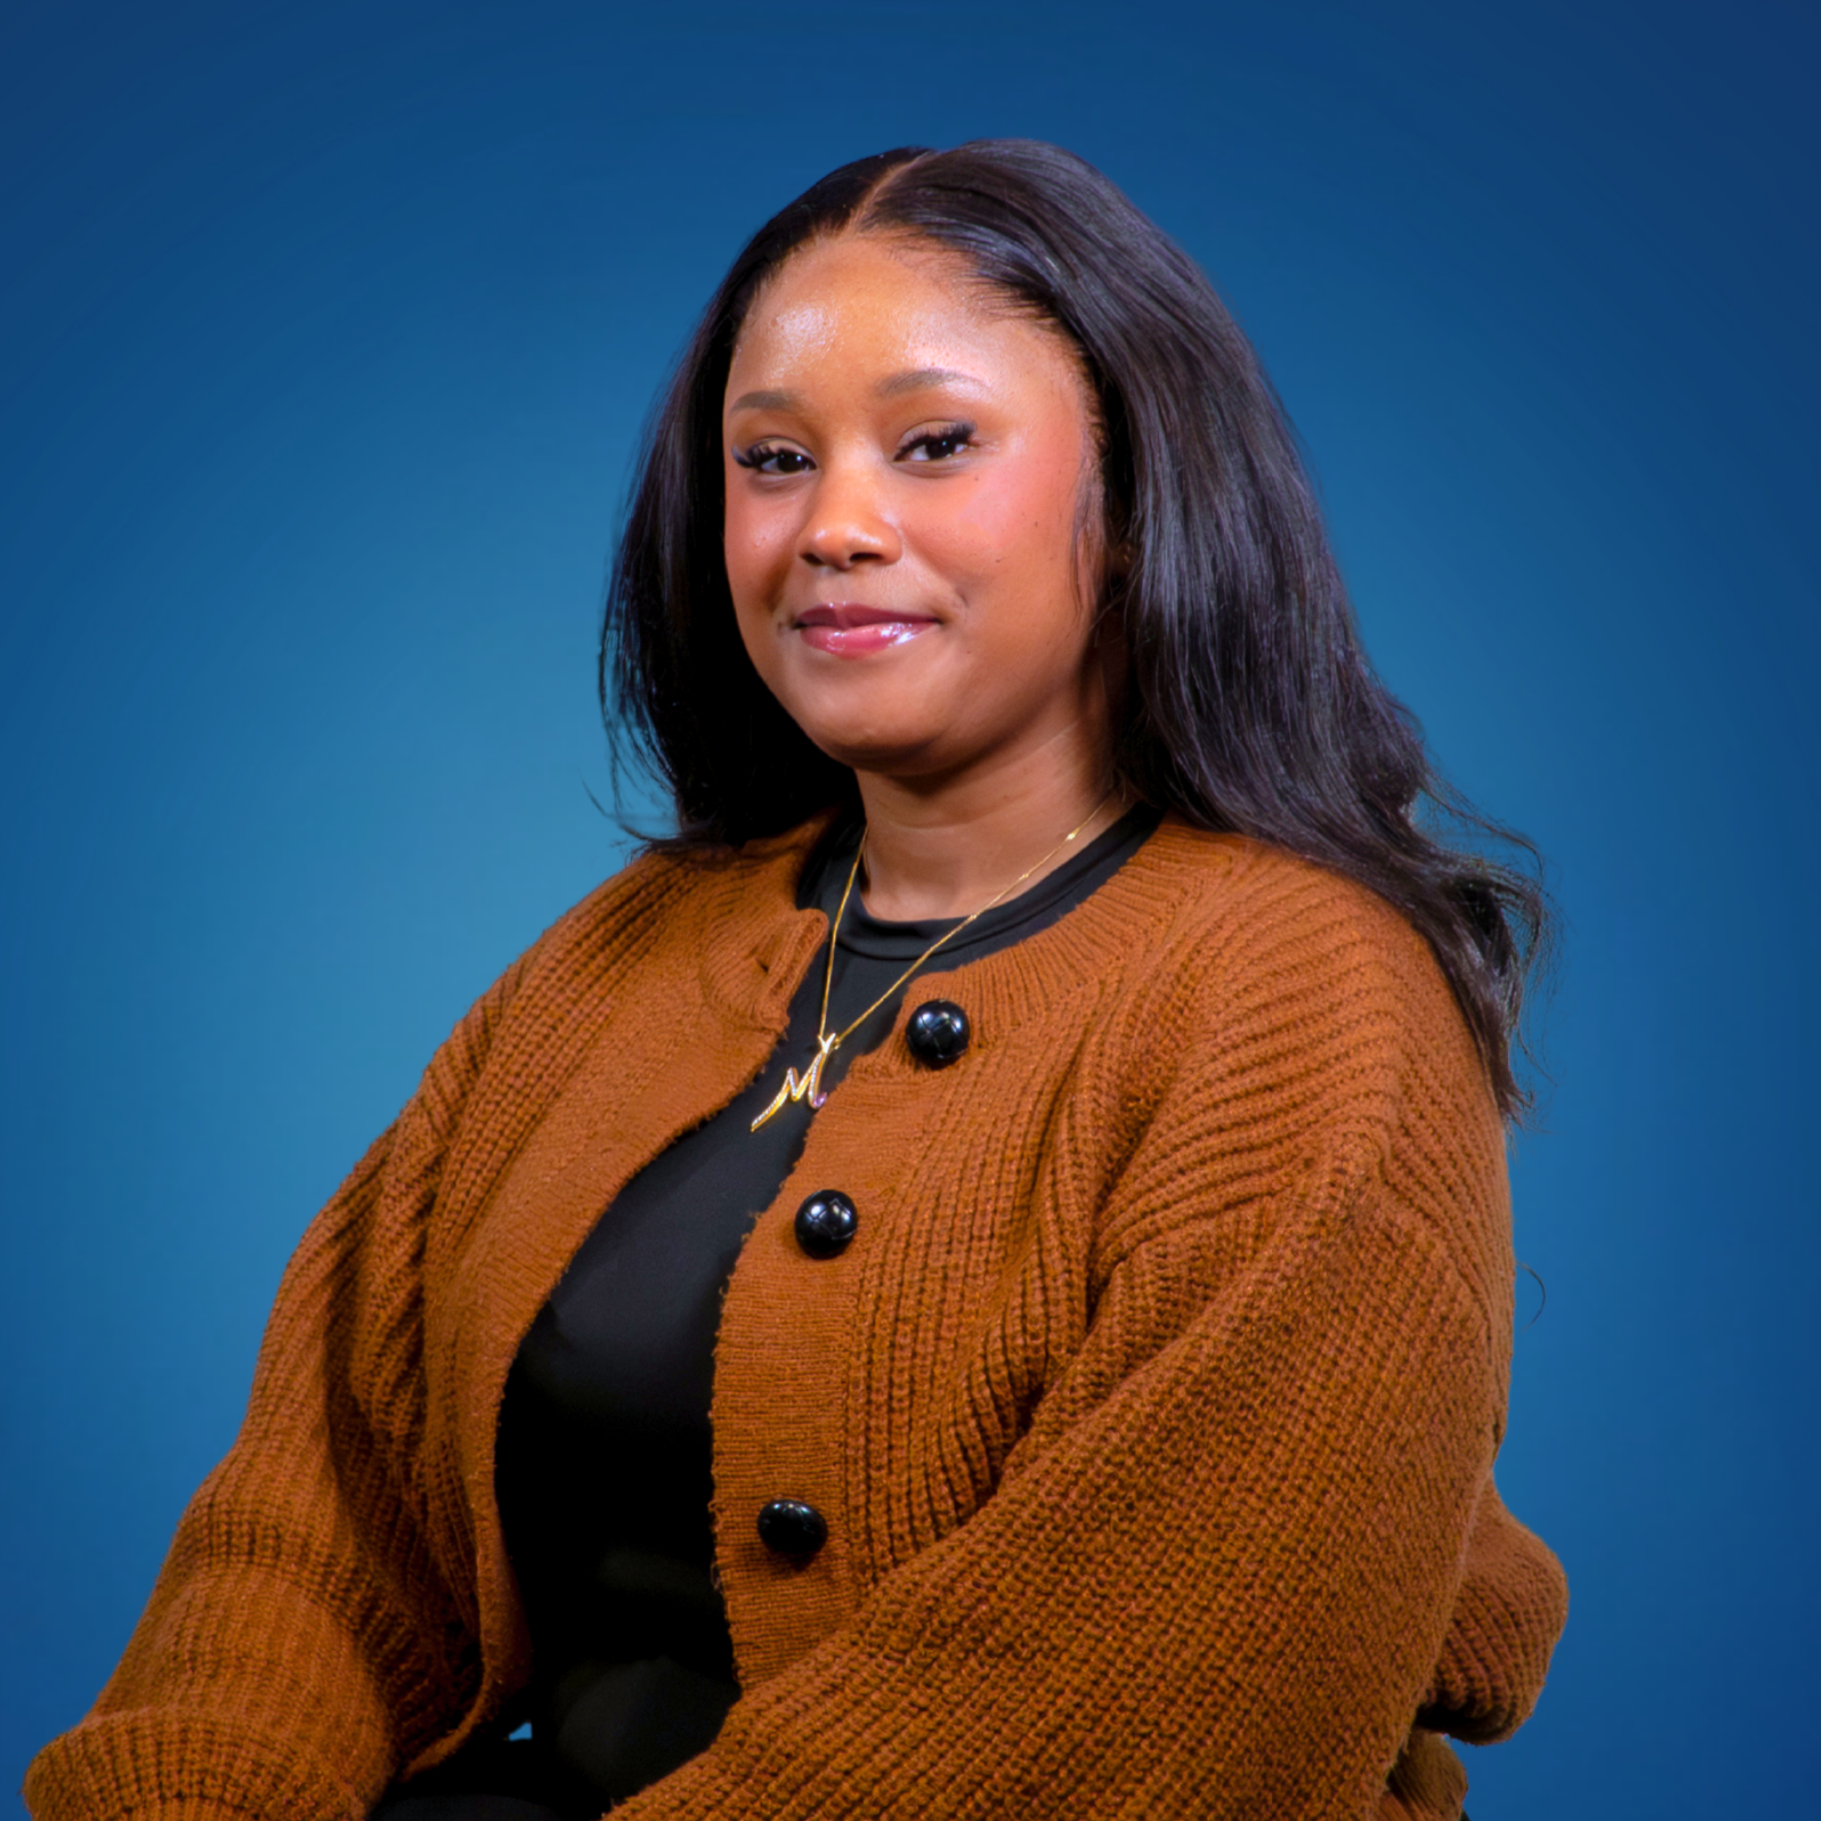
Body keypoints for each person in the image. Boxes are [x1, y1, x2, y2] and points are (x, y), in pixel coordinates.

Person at [25, 140, 1567, 1821]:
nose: (832, 525)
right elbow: (324, 1526)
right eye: (772, 460)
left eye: (934, 445)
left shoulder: (1309, 1009)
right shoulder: (622, 958)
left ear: (1134, 500)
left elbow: (1122, 1718)